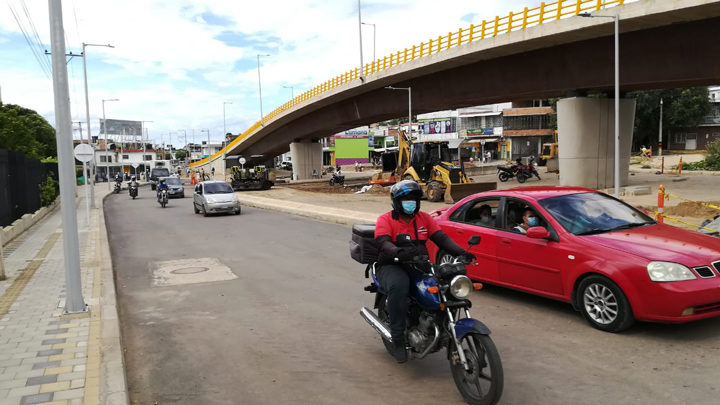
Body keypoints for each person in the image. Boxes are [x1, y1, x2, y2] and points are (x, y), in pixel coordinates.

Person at [375, 180, 476, 363]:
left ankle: (439, 325)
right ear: (396, 202)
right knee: (400, 285)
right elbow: (383, 242)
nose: (410, 201)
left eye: (413, 198)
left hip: (418, 264)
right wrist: (396, 251)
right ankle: (398, 338)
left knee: (445, 285)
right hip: (391, 265)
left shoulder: (424, 218)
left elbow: (441, 238)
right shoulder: (385, 219)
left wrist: (461, 252)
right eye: (405, 198)